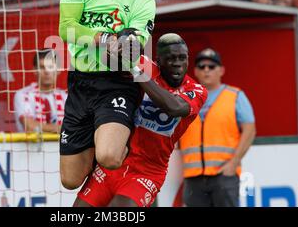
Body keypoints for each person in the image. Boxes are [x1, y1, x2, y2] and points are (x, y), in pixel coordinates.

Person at [58, 0, 156, 190]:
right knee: (70, 180)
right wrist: (104, 39)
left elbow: (137, 42)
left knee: (109, 156)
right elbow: (66, 29)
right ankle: (102, 145)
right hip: (80, 82)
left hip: (117, 81)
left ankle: (129, 155)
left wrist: (128, 44)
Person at [73, 33, 207, 207]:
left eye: (182, 58)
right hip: (116, 160)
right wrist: (117, 46)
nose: (177, 64)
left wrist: (136, 71)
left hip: (148, 171)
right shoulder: (146, 66)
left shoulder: (197, 90)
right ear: (159, 61)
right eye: (171, 59)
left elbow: (174, 108)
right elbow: (109, 61)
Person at [178, 48, 256, 207]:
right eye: (201, 66)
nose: (206, 70)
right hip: (193, 177)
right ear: (195, 71)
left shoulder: (235, 95)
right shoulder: (184, 97)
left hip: (224, 175)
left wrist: (234, 163)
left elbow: (250, 130)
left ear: (221, 70)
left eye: (211, 66)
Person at [13, 49, 67, 133]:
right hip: (32, 146)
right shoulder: (23, 95)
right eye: (42, 67)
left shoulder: (65, 97)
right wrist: (61, 128)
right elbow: (30, 126)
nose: (46, 71)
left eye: (51, 67)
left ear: (58, 70)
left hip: (61, 145)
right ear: (35, 70)